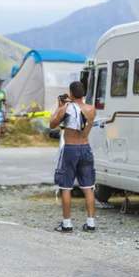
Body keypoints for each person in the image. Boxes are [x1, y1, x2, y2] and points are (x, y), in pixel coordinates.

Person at [49, 81, 97, 232]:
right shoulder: (92, 109)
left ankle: (67, 223)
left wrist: (60, 106)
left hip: (70, 148)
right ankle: (90, 222)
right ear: (84, 94)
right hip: (85, 147)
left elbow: (52, 124)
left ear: (70, 93)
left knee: (66, 187)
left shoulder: (66, 109)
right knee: (88, 187)